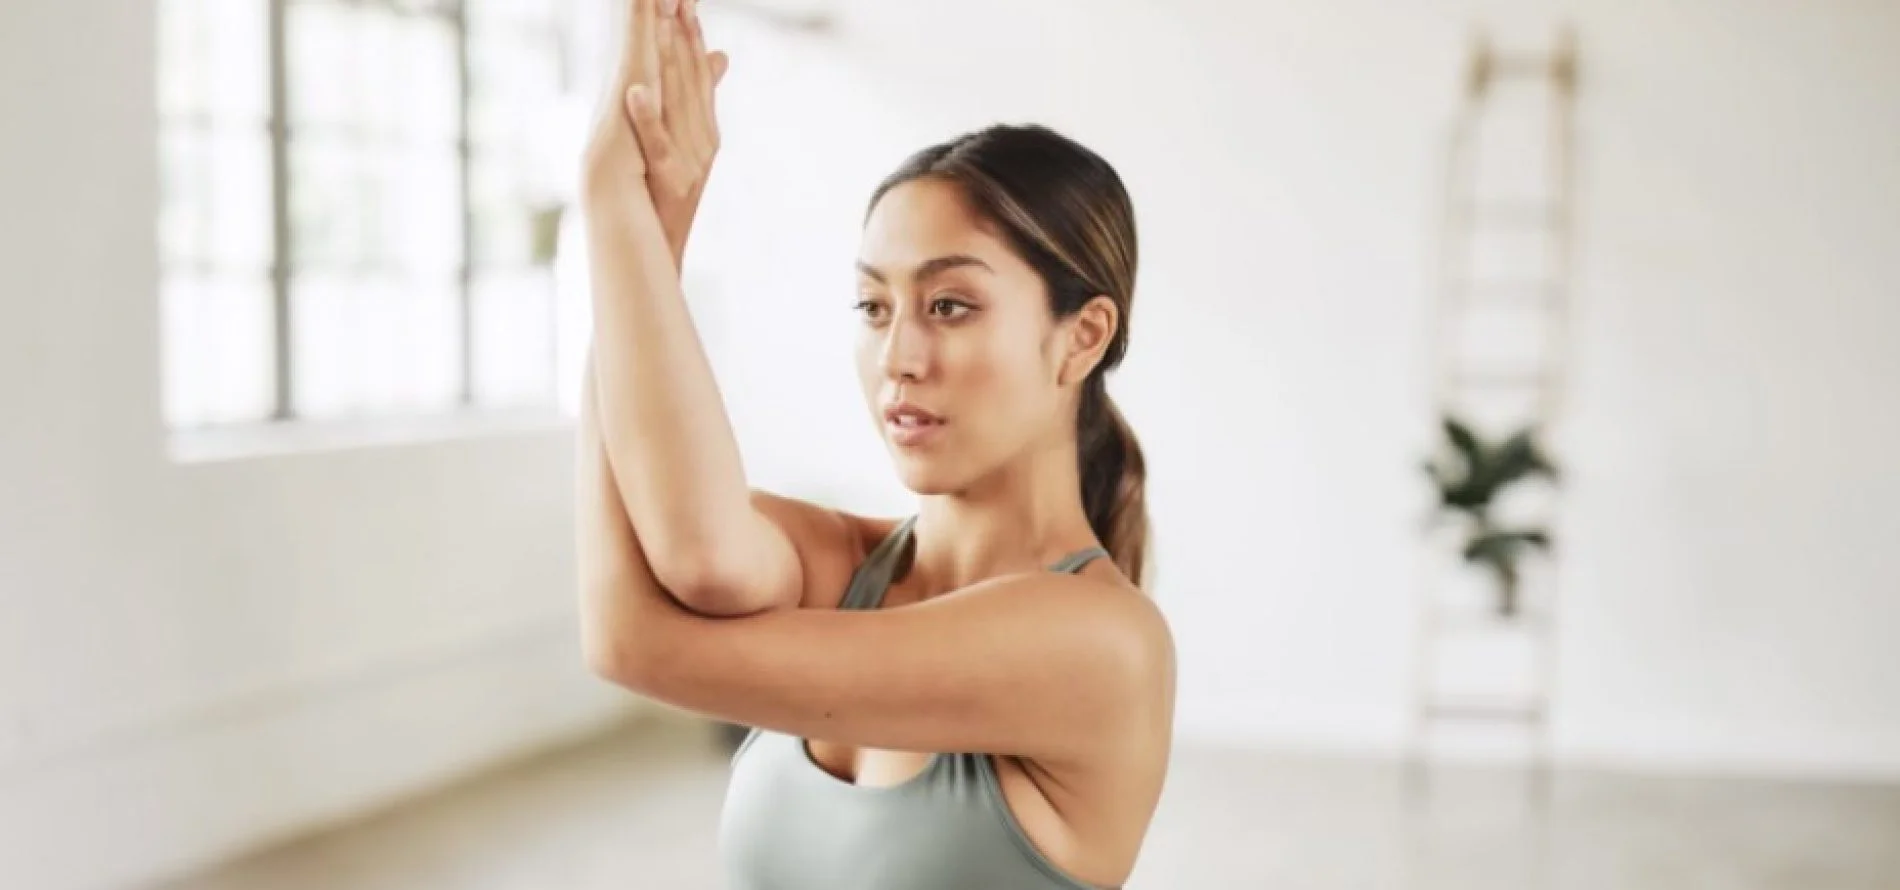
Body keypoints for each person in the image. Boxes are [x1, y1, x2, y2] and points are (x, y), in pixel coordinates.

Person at [573, 1, 1174, 887]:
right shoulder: (842, 569)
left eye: (950, 306)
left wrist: (608, 198)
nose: (899, 358)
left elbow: (631, 640)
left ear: (1080, 337)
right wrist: (651, 232)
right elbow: (688, 553)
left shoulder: (1098, 643)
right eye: (873, 307)